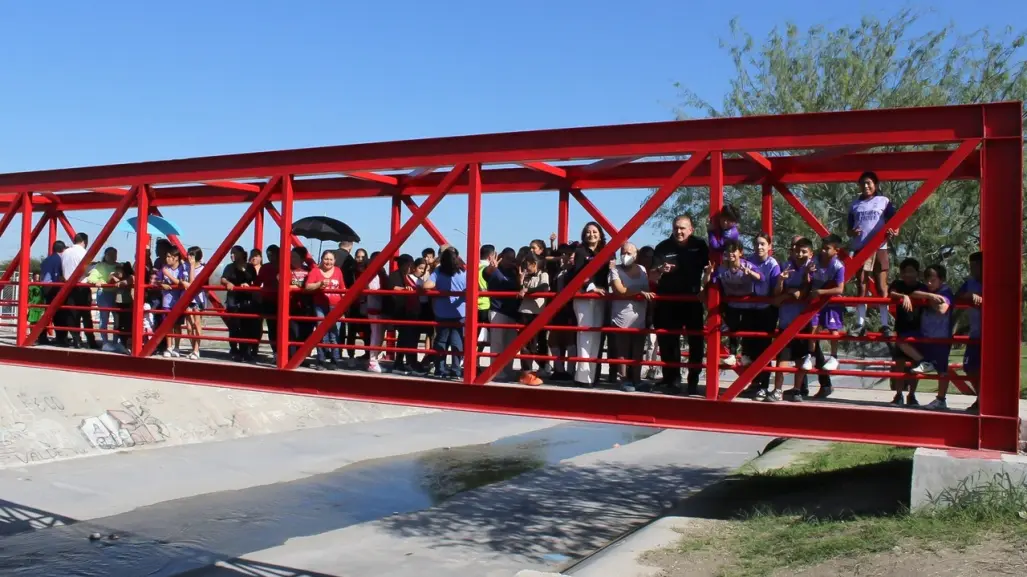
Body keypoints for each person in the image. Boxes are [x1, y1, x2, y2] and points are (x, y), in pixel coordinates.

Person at [652, 215, 709, 395]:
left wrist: (706, 289)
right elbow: (652, 275)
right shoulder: (663, 247)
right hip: (668, 301)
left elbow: (712, 269)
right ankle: (671, 379)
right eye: (676, 227)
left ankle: (693, 379)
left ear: (691, 229)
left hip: (692, 300)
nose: (679, 231)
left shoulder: (700, 245)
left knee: (696, 341)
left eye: (683, 228)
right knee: (669, 341)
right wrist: (661, 270)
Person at [898, 264, 955, 411]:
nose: (929, 283)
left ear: (941, 279)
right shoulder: (927, 290)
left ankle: (941, 400)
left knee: (942, 370)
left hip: (940, 338)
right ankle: (924, 361)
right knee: (902, 341)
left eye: (933, 280)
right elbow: (913, 294)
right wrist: (930, 296)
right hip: (924, 335)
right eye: (927, 280)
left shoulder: (946, 291)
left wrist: (930, 301)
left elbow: (943, 309)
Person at [848, 171, 898, 337]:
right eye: (862, 183)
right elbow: (849, 229)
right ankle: (860, 324)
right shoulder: (854, 205)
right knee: (861, 286)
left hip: (880, 248)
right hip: (861, 249)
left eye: (869, 183)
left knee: (881, 287)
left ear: (875, 184)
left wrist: (894, 231)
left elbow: (895, 222)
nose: (866, 186)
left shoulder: (883, 201)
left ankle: (885, 325)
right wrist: (852, 232)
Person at [607, 242, 653, 392]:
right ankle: (624, 379)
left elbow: (648, 289)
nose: (625, 255)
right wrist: (638, 291)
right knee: (623, 350)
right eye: (623, 252)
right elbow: (619, 290)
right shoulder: (615, 270)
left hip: (640, 315)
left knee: (638, 350)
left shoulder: (642, 269)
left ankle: (637, 379)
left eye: (629, 253)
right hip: (621, 316)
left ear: (635, 255)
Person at [570, 222, 609, 387]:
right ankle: (582, 377)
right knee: (585, 335)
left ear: (600, 234)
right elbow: (579, 274)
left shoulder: (606, 251)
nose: (591, 234)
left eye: (594, 231)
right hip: (585, 296)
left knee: (596, 336)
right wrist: (592, 288)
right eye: (588, 232)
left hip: (601, 297)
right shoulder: (580, 251)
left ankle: (592, 376)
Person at [743, 233, 781, 398]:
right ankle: (755, 382)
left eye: (763, 244)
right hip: (750, 309)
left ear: (769, 246)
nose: (759, 247)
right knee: (748, 348)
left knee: (764, 349)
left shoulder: (773, 264)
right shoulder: (748, 260)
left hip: (766, 310)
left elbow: (775, 291)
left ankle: (764, 385)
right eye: (757, 244)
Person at [801, 235, 846, 375]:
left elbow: (840, 289)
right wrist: (807, 273)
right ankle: (810, 355)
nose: (823, 251)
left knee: (833, 328)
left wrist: (822, 291)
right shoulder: (814, 261)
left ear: (836, 251)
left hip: (831, 301)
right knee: (813, 327)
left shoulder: (838, 266)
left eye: (827, 248)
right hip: (816, 300)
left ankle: (834, 357)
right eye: (823, 248)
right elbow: (807, 281)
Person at [886, 258, 928, 406]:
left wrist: (912, 296)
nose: (908, 274)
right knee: (899, 364)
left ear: (917, 273)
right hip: (901, 329)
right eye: (905, 271)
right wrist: (903, 296)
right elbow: (890, 294)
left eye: (911, 271)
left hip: (917, 330)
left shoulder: (922, 287)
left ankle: (912, 395)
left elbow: (926, 295)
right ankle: (898, 395)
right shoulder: (898, 285)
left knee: (915, 366)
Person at [422, 247, 467, 378]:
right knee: (457, 342)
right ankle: (456, 370)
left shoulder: (439, 271)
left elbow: (426, 286)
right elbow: (476, 288)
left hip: (442, 312)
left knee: (441, 341)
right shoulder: (464, 272)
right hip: (460, 312)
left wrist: (439, 288)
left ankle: (439, 370)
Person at [305, 249, 345, 370]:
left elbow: (343, 288)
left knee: (334, 334)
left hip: (336, 306)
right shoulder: (315, 271)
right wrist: (319, 284)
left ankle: (334, 360)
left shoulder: (338, 271)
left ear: (335, 261)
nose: (328, 262)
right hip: (320, 305)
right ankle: (321, 360)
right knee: (321, 333)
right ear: (322, 259)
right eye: (326, 259)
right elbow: (307, 286)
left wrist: (344, 308)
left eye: (331, 259)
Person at [516, 252, 550, 385]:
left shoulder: (543, 275)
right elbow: (519, 293)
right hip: (524, 312)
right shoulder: (525, 276)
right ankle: (526, 372)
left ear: (534, 264)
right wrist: (520, 281)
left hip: (537, 313)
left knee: (537, 343)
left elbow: (544, 287)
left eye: (527, 265)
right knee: (524, 344)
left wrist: (528, 291)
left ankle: (540, 368)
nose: (525, 268)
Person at [222, 245, 259, 362]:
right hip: (233, 299)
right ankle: (234, 350)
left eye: (234, 253)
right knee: (234, 326)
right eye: (231, 253)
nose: (232, 255)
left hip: (247, 299)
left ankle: (246, 351)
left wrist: (249, 286)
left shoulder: (250, 268)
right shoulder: (229, 267)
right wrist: (228, 283)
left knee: (246, 326)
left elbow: (256, 281)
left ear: (242, 254)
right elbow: (223, 279)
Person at [61, 232, 97, 349]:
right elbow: (87, 271)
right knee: (86, 314)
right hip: (82, 285)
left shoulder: (65, 252)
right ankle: (91, 341)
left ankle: (76, 340)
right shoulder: (84, 253)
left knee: (72, 314)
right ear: (85, 241)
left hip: (68, 285)